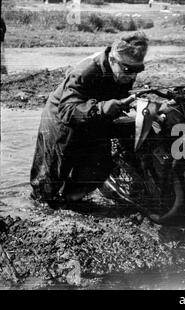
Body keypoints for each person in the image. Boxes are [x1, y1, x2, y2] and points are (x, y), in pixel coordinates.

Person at [30, 31, 149, 209]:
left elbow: (118, 94)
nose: (132, 76)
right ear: (113, 60)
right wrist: (105, 107)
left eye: (137, 70)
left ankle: (71, 200)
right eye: (128, 70)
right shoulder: (85, 71)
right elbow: (67, 110)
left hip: (94, 116)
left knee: (100, 165)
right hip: (61, 119)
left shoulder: (123, 70)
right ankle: (41, 208)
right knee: (48, 179)